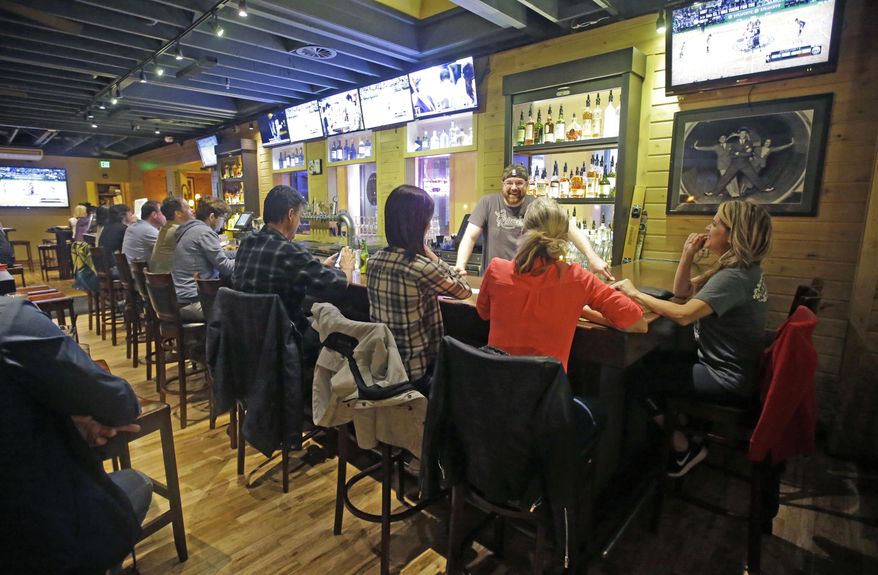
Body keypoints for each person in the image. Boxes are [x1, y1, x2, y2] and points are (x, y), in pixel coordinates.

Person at [612, 199, 772, 477]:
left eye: (715, 223)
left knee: (636, 376)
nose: (708, 228)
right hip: (736, 371)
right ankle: (684, 428)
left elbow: (684, 314)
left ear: (733, 235)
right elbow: (683, 291)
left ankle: (683, 447)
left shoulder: (733, 277)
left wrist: (634, 293)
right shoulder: (744, 270)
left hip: (725, 378)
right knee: (653, 363)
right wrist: (687, 254)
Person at [0, 296, 152, 574]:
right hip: (44, 539)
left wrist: (66, 424)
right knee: (138, 482)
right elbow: (121, 404)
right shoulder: (10, 321)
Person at [476, 198, 646, 444]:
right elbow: (637, 322)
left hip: (497, 397)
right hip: (546, 407)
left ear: (523, 230)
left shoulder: (496, 269)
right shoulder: (577, 277)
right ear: (564, 238)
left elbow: (484, 313)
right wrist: (579, 308)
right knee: (598, 412)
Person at [367, 185, 472, 389]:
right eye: (428, 219)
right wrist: (430, 254)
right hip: (416, 373)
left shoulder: (374, 260)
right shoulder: (420, 267)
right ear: (419, 225)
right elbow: (464, 290)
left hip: (383, 365)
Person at [232, 186, 348, 364]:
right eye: (300, 217)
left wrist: (318, 266)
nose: (300, 223)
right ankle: (325, 388)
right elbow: (335, 285)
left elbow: (282, 271)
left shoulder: (247, 243)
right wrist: (346, 268)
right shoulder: (288, 251)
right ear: (291, 215)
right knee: (340, 333)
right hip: (287, 339)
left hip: (248, 338)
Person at [454, 164, 614, 279]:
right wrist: (460, 264)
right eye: (509, 183)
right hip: (496, 278)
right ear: (502, 184)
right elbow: (470, 236)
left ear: (527, 184)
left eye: (519, 183)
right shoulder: (488, 202)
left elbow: (569, 227)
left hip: (529, 279)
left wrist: (592, 257)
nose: (514, 187)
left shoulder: (536, 204)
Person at [173, 197, 235, 321]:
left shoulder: (190, 230)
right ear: (212, 217)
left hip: (181, 296)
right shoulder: (205, 233)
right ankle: (216, 341)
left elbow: (220, 255)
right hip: (195, 299)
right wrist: (246, 258)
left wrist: (239, 252)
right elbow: (226, 268)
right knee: (238, 309)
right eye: (223, 219)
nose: (223, 224)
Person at [709, 129, 774, 197]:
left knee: (754, 177)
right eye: (741, 133)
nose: (743, 135)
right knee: (725, 178)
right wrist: (743, 153)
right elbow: (731, 155)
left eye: (744, 133)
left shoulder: (749, 143)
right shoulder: (734, 143)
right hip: (735, 164)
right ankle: (714, 192)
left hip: (745, 164)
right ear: (739, 134)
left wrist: (738, 153)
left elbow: (749, 154)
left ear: (746, 135)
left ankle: (764, 189)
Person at [150, 196, 193, 274]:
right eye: (188, 208)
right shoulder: (179, 230)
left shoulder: (166, 228)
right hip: (171, 281)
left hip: (159, 279)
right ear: (178, 213)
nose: (192, 210)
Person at [98, 203, 134, 274]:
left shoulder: (106, 227)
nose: (132, 215)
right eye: (130, 213)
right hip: (116, 269)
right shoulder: (123, 228)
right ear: (123, 215)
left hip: (104, 268)